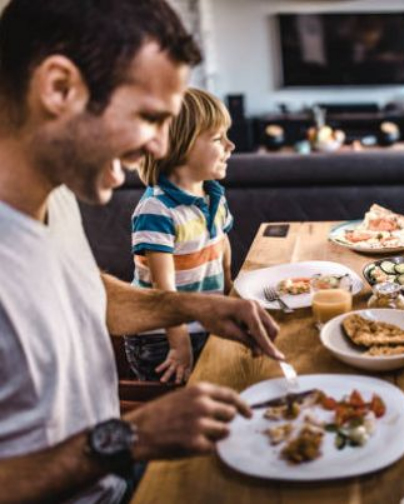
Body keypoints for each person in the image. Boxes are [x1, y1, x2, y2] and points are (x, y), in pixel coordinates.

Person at [0, 1, 284, 502]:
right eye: (149, 118)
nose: (158, 147)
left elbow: (84, 295)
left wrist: (195, 304)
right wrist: (134, 437)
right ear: (59, 88)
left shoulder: (57, 194)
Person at [125, 88, 236, 384]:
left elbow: (220, 243)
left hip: (203, 322)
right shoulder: (157, 208)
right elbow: (165, 290)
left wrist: (229, 290)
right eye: (217, 138)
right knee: (180, 409)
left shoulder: (213, 194)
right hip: (162, 337)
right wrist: (180, 343)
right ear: (180, 146)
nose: (231, 145)